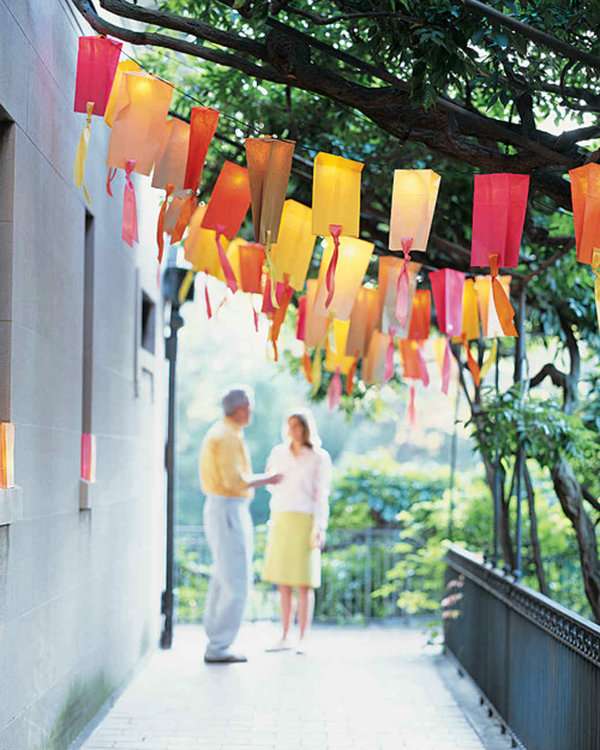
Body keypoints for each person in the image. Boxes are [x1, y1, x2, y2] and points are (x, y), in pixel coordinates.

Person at [199, 387, 283, 664]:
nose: (251, 412)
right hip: (228, 509)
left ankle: (217, 640)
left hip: (222, 508)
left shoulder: (223, 432)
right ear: (240, 408)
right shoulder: (227, 436)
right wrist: (269, 479)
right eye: (249, 406)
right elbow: (236, 480)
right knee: (236, 579)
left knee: (224, 576)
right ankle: (220, 645)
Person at [262, 411, 332, 654]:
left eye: (298, 426)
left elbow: (321, 495)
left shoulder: (318, 458)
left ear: (306, 428)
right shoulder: (278, 453)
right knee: (283, 583)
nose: (294, 431)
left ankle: (303, 637)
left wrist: (320, 527)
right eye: (290, 426)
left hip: (305, 520)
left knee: (304, 583)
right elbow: (271, 485)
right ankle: (284, 635)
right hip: (281, 517)